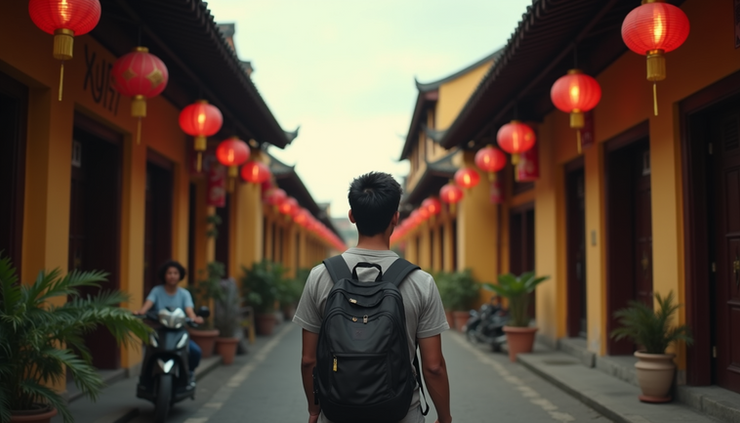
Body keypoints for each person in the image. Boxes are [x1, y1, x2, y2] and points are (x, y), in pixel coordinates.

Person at [293, 171, 453, 423]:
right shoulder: (421, 282)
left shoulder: (320, 276)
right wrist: (445, 417)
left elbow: (308, 360)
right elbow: (433, 366)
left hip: (337, 413)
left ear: (352, 216)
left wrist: (314, 410)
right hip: (400, 412)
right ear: (395, 218)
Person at [135, 260, 204, 385]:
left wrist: (194, 318)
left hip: (179, 332)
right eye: (169, 273)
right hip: (159, 331)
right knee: (149, 351)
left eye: (175, 273)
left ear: (180, 275)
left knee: (195, 351)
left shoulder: (184, 294)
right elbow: (147, 305)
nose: (172, 275)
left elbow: (190, 311)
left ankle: (190, 372)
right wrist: (141, 312)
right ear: (164, 275)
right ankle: (145, 378)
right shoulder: (156, 291)